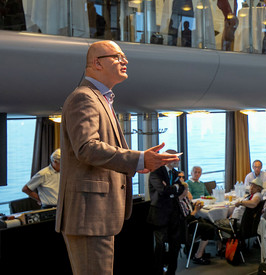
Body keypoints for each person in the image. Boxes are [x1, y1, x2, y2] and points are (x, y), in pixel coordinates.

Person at [56, 40, 178, 275]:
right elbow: (87, 148)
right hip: (88, 215)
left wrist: (133, 165)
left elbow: (97, 154)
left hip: (96, 214)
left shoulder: (101, 98)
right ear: (96, 63)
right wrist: (139, 159)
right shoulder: (84, 97)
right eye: (118, 56)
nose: (125, 61)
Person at [147, 150, 187, 275]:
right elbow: (162, 190)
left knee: (175, 244)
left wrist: (173, 188)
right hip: (159, 214)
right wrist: (173, 188)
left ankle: (171, 272)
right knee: (159, 245)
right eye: (175, 158)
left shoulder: (175, 173)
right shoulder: (156, 172)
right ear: (168, 159)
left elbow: (181, 189)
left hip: (174, 213)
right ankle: (157, 271)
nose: (178, 160)